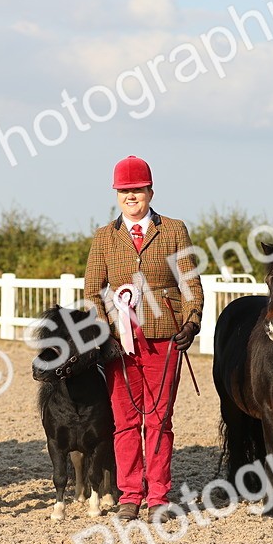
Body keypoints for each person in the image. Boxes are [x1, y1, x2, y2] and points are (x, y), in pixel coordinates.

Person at [83, 155, 203, 522]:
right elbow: (92, 290)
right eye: (124, 191)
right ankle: (130, 495)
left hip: (164, 339)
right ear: (116, 194)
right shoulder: (105, 236)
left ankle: (159, 496)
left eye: (137, 189)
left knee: (159, 420)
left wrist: (192, 322)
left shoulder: (174, 230)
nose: (131, 196)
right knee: (125, 421)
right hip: (119, 344)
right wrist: (104, 333)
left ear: (150, 191)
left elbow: (190, 283)